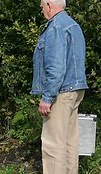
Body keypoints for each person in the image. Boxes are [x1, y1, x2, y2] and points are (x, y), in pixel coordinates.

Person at [30, 0, 88, 173]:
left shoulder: (55, 27)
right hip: (75, 90)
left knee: (53, 145)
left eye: (41, 7)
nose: (41, 11)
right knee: (69, 141)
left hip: (60, 93)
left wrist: (47, 98)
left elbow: (56, 67)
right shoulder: (73, 25)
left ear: (49, 4)